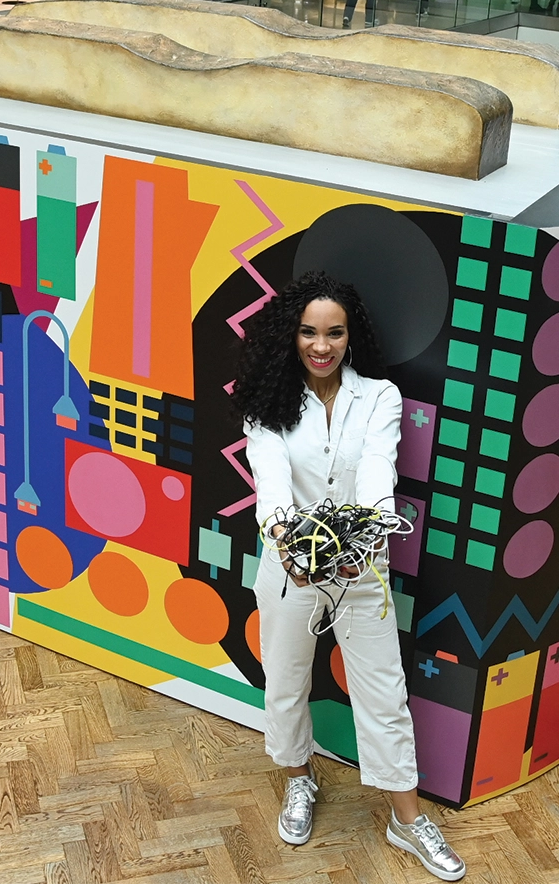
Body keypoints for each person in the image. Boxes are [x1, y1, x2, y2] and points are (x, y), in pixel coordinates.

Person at [232, 271, 466, 883]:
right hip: (291, 570)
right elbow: (273, 487)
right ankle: (299, 779)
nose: (321, 345)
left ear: (349, 336)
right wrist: (291, 544)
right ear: (291, 335)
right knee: (284, 683)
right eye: (309, 332)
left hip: (364, 571)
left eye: (333, 333)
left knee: (384, 695)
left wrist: (359, 542)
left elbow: (377, 475)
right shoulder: (268, 405)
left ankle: (406, 819)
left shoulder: (381, 398)